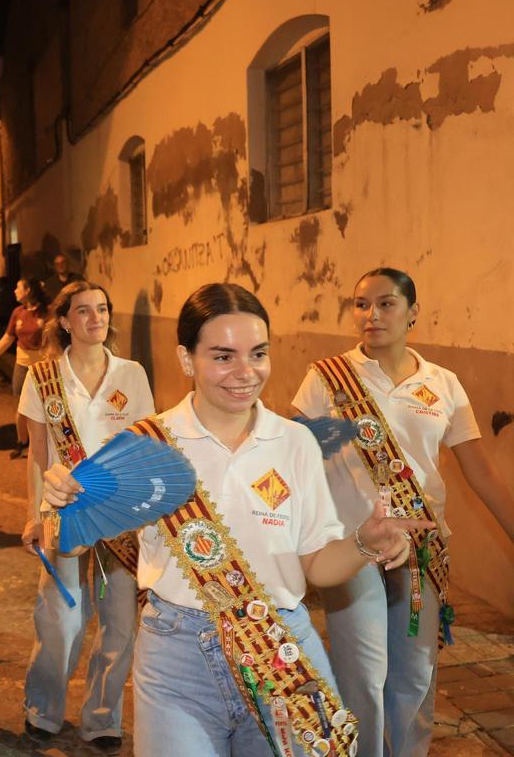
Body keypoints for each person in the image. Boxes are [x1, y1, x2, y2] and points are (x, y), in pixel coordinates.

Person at [42, 283, 431, 757]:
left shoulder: (294, 443)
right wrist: (64, 505)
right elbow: (72, 546)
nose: (245, 373)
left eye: (258, 354)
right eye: (223, 357)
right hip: (176, 658)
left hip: (281, 651)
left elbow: (317, 567)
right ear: (187, 359)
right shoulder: (147, 445)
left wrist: (365, 544)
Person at [291, 267, 514, 757]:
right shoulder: (327, 378)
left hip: (421, 547)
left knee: (414, 673)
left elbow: (480, 473)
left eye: (386, 304)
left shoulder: (444, 384)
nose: (371, 315)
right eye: (361, 304)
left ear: (414, 312)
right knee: (363, 672)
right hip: (353, 547)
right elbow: (292, 457)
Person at [17, 282, 153, 753]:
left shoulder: (132, 374)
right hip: (63, 516)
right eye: (84, 311)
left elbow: (143, 449)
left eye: (102, 309)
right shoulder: (44, 378)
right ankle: (43, 709)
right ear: (65, 321)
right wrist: (35, 514)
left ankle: (102, 718)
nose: (96, 318)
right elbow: (36, 454)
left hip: (118, 518)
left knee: (118, 622)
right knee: (60, 619)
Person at [0, 277, 51, 458]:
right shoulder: (17, 312)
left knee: (45, 407)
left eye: (18, 288)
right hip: (22, 366)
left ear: (28, 290)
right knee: (20, 408)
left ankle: (44, 444)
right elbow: (8, 338)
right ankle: (22, 442)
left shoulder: (46, 312)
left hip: (42, 367)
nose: (14, 291)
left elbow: (56, 338)